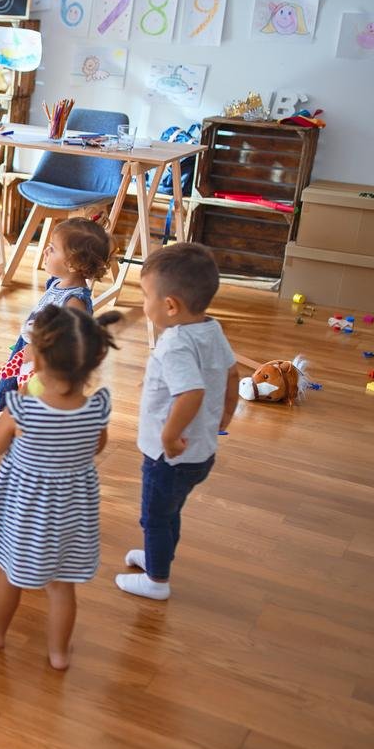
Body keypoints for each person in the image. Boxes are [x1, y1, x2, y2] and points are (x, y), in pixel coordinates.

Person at [0, 305, 122, 670]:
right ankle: (58, 654)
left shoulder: (22, 409)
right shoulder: (97, 408)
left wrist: (18, 407)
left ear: (36, 360)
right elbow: (97, 447)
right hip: (71, 511)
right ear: (93, 363)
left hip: (25, 511)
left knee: (11, 574)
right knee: (62, 585)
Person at [116, 243, 238, 601]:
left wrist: (169, 437)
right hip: (200, 453)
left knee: (154, 518)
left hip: (168, 457)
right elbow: (232, 373)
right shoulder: (211, 329)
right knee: (170, 513)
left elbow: (191, 392)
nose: (143, 303)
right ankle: (159, 558)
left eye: (145, 295)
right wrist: (225, 415)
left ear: (170, 305)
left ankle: (157, 581)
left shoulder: (175, 343)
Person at [0, 218, 112, 413]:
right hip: (29, 349)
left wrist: (38, 351)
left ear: (72, 264)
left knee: (34, 403)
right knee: (19, 396)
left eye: (52, 249)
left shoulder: (74, 301)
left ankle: (31, 423)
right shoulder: (56, 282)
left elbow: (71, 343)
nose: (45, 251)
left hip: (46, 364)